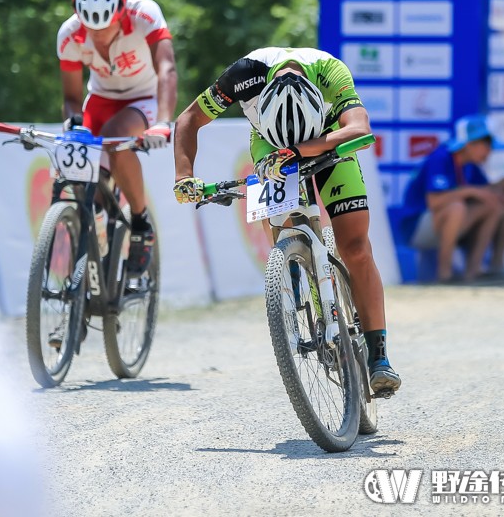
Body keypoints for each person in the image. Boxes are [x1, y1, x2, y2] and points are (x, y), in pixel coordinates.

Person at [170, 47, 401, 397]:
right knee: (284, 223)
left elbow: (358, 128)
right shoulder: (244, 75)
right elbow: (189, 119)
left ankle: (379, 355)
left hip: (324, 141)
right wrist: (184, 175)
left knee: (355, 246)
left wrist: (300, 150)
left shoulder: (329, 71)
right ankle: (295, 272)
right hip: (270, 145)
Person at [56, 0, 176, 275]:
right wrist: (74, 124)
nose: (99, 36)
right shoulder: (69, 35)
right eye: (91, 29)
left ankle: (140, 222)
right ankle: (80, 286)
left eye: (106, 27)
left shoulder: (146, 15)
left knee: (114, 138)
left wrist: (163, 121)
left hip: (145, 98)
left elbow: (167, 69)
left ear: (121, 13)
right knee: (82, 187)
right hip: (100, 100)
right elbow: (71, 99)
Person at [399, 115, 504, 282]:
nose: (489, 151)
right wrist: (471, 191)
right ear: (471, 144)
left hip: (445, 225)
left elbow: (484, 193)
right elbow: (435, 202)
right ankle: (444, 274)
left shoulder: (470, 164)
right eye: (487, 145)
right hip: (416, 228)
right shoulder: (441, 158)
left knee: (500, 204)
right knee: (457, 208)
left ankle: (481, 269)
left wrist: (501, 186)